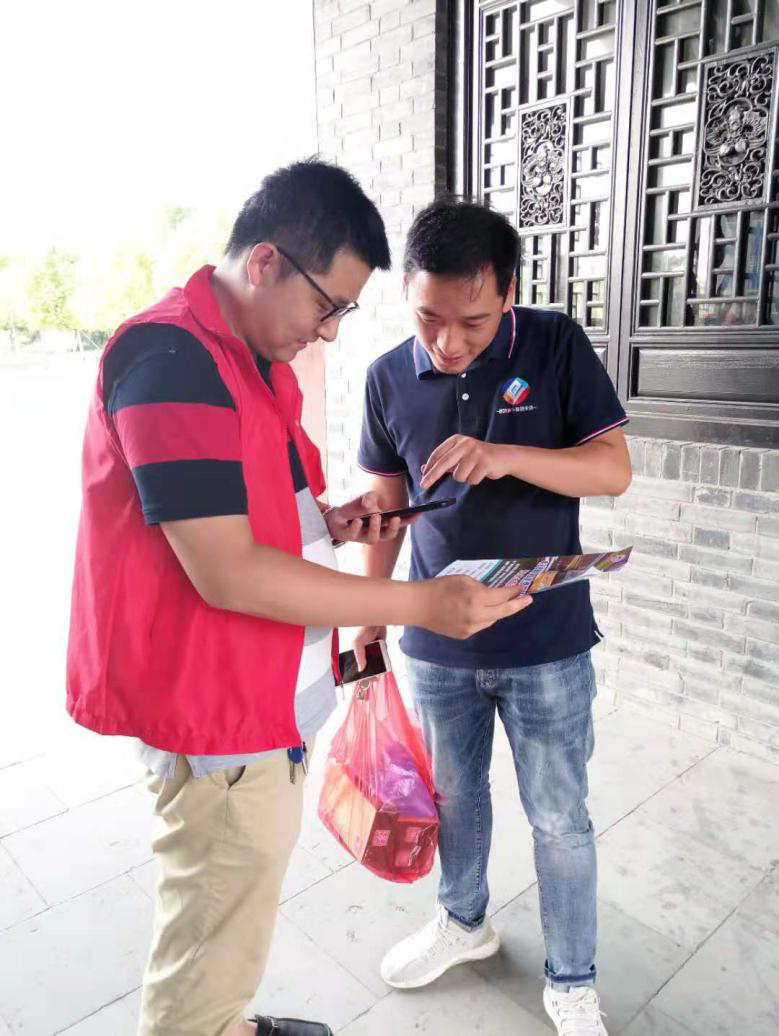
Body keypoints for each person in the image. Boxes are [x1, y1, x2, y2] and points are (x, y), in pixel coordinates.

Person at [66, 164, 532, 1036]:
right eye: (328, 306)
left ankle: (229, 1022)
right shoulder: (170, 359)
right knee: (209, 934)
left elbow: (244, 513)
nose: (327, 332)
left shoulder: (242, 360)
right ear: (266, 262)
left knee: (233, 916)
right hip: (219, 718)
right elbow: (228, 571)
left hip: (264, 703)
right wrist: (421, 604)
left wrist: (329, 521)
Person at [354, 198, 632, 1036]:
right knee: (454, 798)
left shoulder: (554, 345)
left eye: (471, 322)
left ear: (508, 293)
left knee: (559, 818)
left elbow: (611, 471)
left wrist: (503, 454)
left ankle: (572, 978)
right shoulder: (386, 378)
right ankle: (462, 922)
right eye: (427, 317)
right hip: (438, 643)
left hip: (546, 643)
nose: (446, 342)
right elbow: (386, 505)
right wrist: (369, 616)